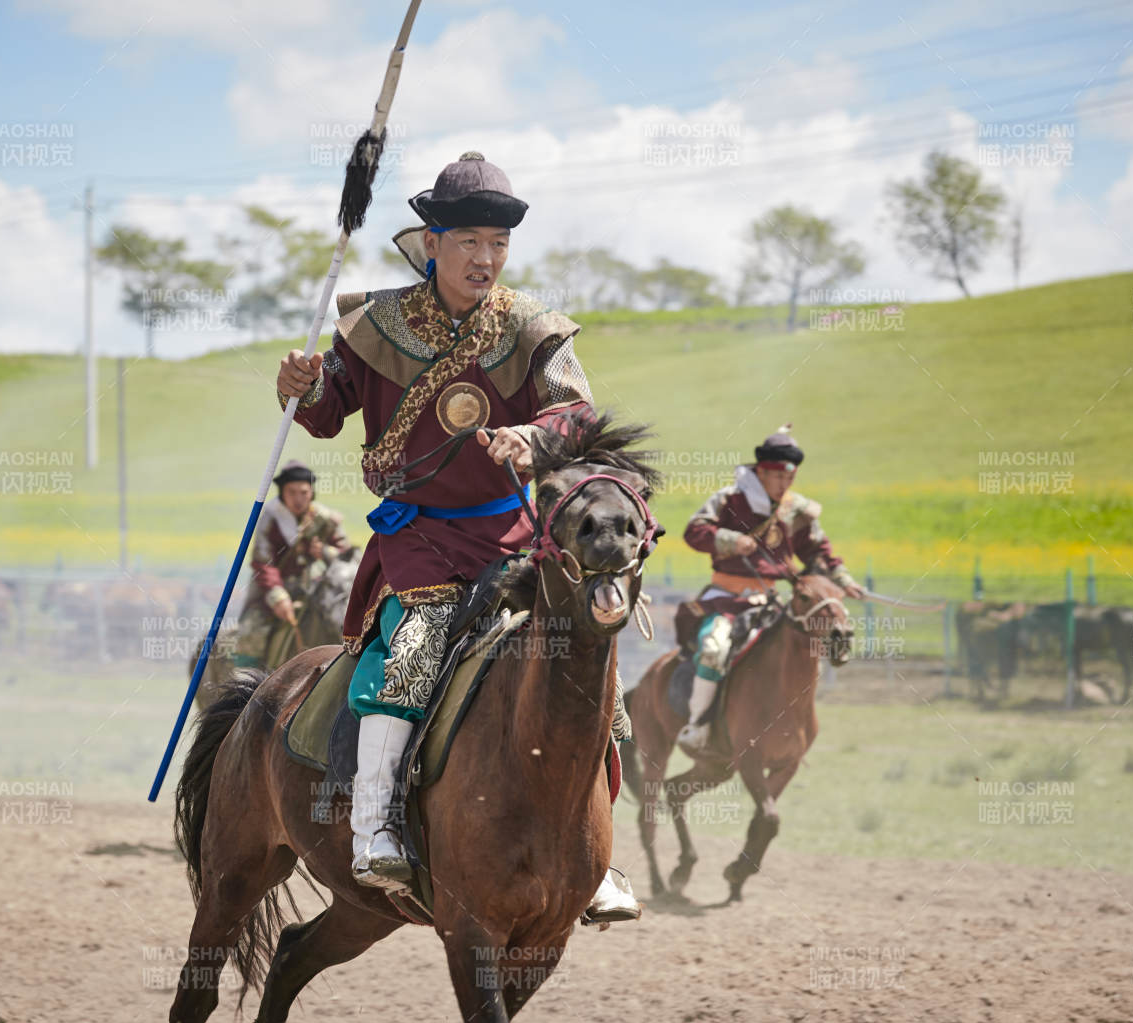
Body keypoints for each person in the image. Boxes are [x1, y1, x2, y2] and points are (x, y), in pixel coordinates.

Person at [275, 151, 639, 924]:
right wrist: (300, 385)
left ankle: (594, 853)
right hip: (422, 538)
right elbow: (326, 410)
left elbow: (578, 415)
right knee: (412, 649)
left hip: (514, 539)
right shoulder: (373, 324)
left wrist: (531, 439)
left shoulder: (535, 328)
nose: (485, 258)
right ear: (431, 241)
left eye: (498, 245)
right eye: (470, 241)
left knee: (592, 674)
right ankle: (374, 826)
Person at [676, 424, 866, 756]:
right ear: (762, 472)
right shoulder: (728, 499)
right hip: (725, 599)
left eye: (790, 478)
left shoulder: (798, 511)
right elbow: (695, 531)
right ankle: (698, 725)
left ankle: (789, 731)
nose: (785, 485)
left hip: (772, 602)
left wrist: (844, 580)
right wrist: (732, 540)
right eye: (779, 477)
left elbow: (819, 553)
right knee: (714, 649)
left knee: (802, 651)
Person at [234, 460, 351, 670]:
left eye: (303, 492)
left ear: (311, 493)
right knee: (252, 632)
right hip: (273, 592)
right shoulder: (270, 519)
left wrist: (324, 552)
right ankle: (243, 688)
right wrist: (278, 597)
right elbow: (263, 562)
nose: (298, 499)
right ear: (282, 492)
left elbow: (349, 557)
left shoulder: (325, 519)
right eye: (292, 492)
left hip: (317, 589)